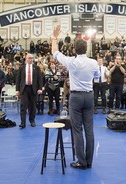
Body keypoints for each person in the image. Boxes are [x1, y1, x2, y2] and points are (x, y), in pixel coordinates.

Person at [52, 25, 100, 170]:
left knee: (77, 130)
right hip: (89, 96)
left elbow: (55, 53)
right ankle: (89, 161)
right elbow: (97, 78)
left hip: (76, 97)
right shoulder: (93, 63)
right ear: (86, 49)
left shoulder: (71, 61)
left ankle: (81, 161)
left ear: (74, 50)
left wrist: (54, 37)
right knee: (89, 130)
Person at [16, 53, 43, 128]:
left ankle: (32, 121)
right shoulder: (22, 68)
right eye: (29, 58)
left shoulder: (36, 68)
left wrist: (40, 88)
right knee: (23, 106)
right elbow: (18, 79)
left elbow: (39, 79)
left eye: (31, 58)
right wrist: (17, 90)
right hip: (24, 89)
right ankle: (22, 122)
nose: (30, 59)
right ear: (26, 59)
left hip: (33, 89)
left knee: (33, 106)